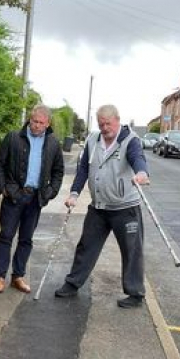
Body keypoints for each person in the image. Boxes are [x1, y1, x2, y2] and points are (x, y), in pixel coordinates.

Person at [54, 104, 150, 308]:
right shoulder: (92, 140)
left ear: (117, 120)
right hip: (98, 207)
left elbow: (138, 160)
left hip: (125, 207)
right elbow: (82, 169)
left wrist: (141, 174)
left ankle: (135, 294)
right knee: (86, 246)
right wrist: (74, 193)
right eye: (101, 124)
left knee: (132, 250)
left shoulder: (130, 140)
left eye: (108, 123)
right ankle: (72, 284)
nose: (105, 128)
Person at [0, 104, 65, 293]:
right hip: (14, 196)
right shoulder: (13, 138)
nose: (37, 126)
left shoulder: (53, 144)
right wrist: (3, 189)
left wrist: (49, 193)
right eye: (34, 121)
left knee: (26, 239)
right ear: (29, 120)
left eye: (41, 123)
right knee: (6, 236)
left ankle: (18, 276)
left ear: (48, 124)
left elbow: (58, 172)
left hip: (35, 198)